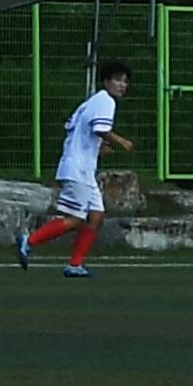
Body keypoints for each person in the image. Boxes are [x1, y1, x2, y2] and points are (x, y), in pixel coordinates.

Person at [18, 61, 134, 277]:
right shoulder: (106, 102)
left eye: (125, 81)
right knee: (76, 218)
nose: (122, 85)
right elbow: (101, 129)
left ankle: (75, 265)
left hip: (81, 167)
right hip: (78, 169)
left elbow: (78, 130)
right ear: (106, 81)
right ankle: (29, 240)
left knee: (96, 216)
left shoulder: (91, 102)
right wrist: (121, 141)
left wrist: (98, 148)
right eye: (117, 80)